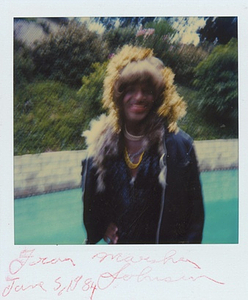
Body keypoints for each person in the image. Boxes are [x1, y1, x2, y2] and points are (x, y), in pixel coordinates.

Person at [81, 45, 204, 244]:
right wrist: (103, 225)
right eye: (130, 90)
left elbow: (195, 217)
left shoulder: (179, 146)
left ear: (157, 97)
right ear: (117, 95)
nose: (139, 97)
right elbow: (95, 203)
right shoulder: (101, 146)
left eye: (147, 91)